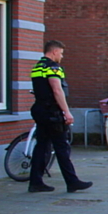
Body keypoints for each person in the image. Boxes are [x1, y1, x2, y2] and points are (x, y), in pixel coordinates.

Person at [27, 40, 93, 193]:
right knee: (61, 147)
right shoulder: (53, 67)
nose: (62, 57)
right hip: (52, 113)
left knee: (41, 146)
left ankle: (35, 182)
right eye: (61, 53)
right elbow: (57, 90)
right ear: (54, 52)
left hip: (40, 110)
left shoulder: (37, 67)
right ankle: (72, 181)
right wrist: (66, 111)